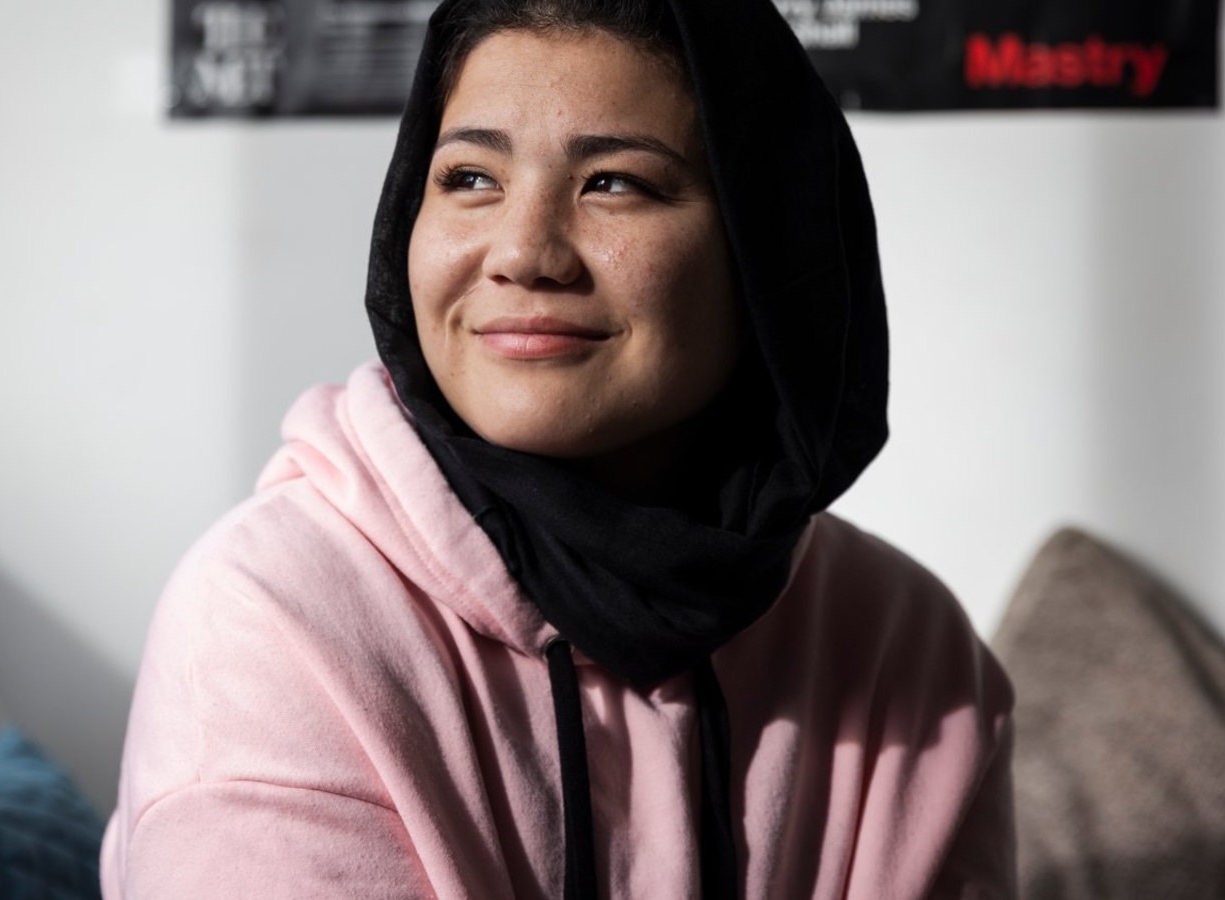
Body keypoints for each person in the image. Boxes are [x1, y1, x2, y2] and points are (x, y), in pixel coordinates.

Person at [101, 0, 1015, 896]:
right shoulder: (272, 615)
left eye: (615, 182)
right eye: (468, 179)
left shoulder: (910, 648)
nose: (525, 252)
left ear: (763, 251)